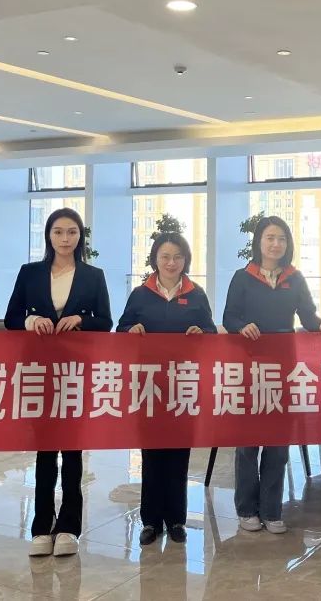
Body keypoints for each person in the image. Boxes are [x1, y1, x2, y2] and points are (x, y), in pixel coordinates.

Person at [5, 207, 112, 558]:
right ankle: (41, 525)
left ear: (80, 237)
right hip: (40, 369)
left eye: (72, 232)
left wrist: (81, 319)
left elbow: (106, 321)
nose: (65, 239)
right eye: (58, 232)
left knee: (73, 449)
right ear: (48, 236)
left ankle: (69, 526)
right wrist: (31, 320)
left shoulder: (93, 275)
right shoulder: (30, 272)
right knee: (45, 449)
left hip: (76, 371)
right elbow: (11, 317)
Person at [223, 215, 321, 534]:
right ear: (259, 241)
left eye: (282, 239)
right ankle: (247, 509)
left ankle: (272, 509)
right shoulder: (242, 277)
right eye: (270, 238)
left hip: (284, 369)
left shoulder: (295, 278)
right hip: (249, 368)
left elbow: (308, 316)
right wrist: (241, 326)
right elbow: (229, 317)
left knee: (277, 441)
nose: (276, 244)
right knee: (248, 443)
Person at [116, 232, 216, 547]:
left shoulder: (196, 295)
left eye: (177, 257)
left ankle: (176, 520)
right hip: (149, 385)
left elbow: (211, 332)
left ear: (185, 260)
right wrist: (130, 330)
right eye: (165, 257)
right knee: (151, 454)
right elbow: (121, 328)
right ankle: (150, 520)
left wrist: (202, 333)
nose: (171, 263)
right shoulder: (140, 294)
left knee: (178, 453)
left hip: (183, 384)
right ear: (155, 259)